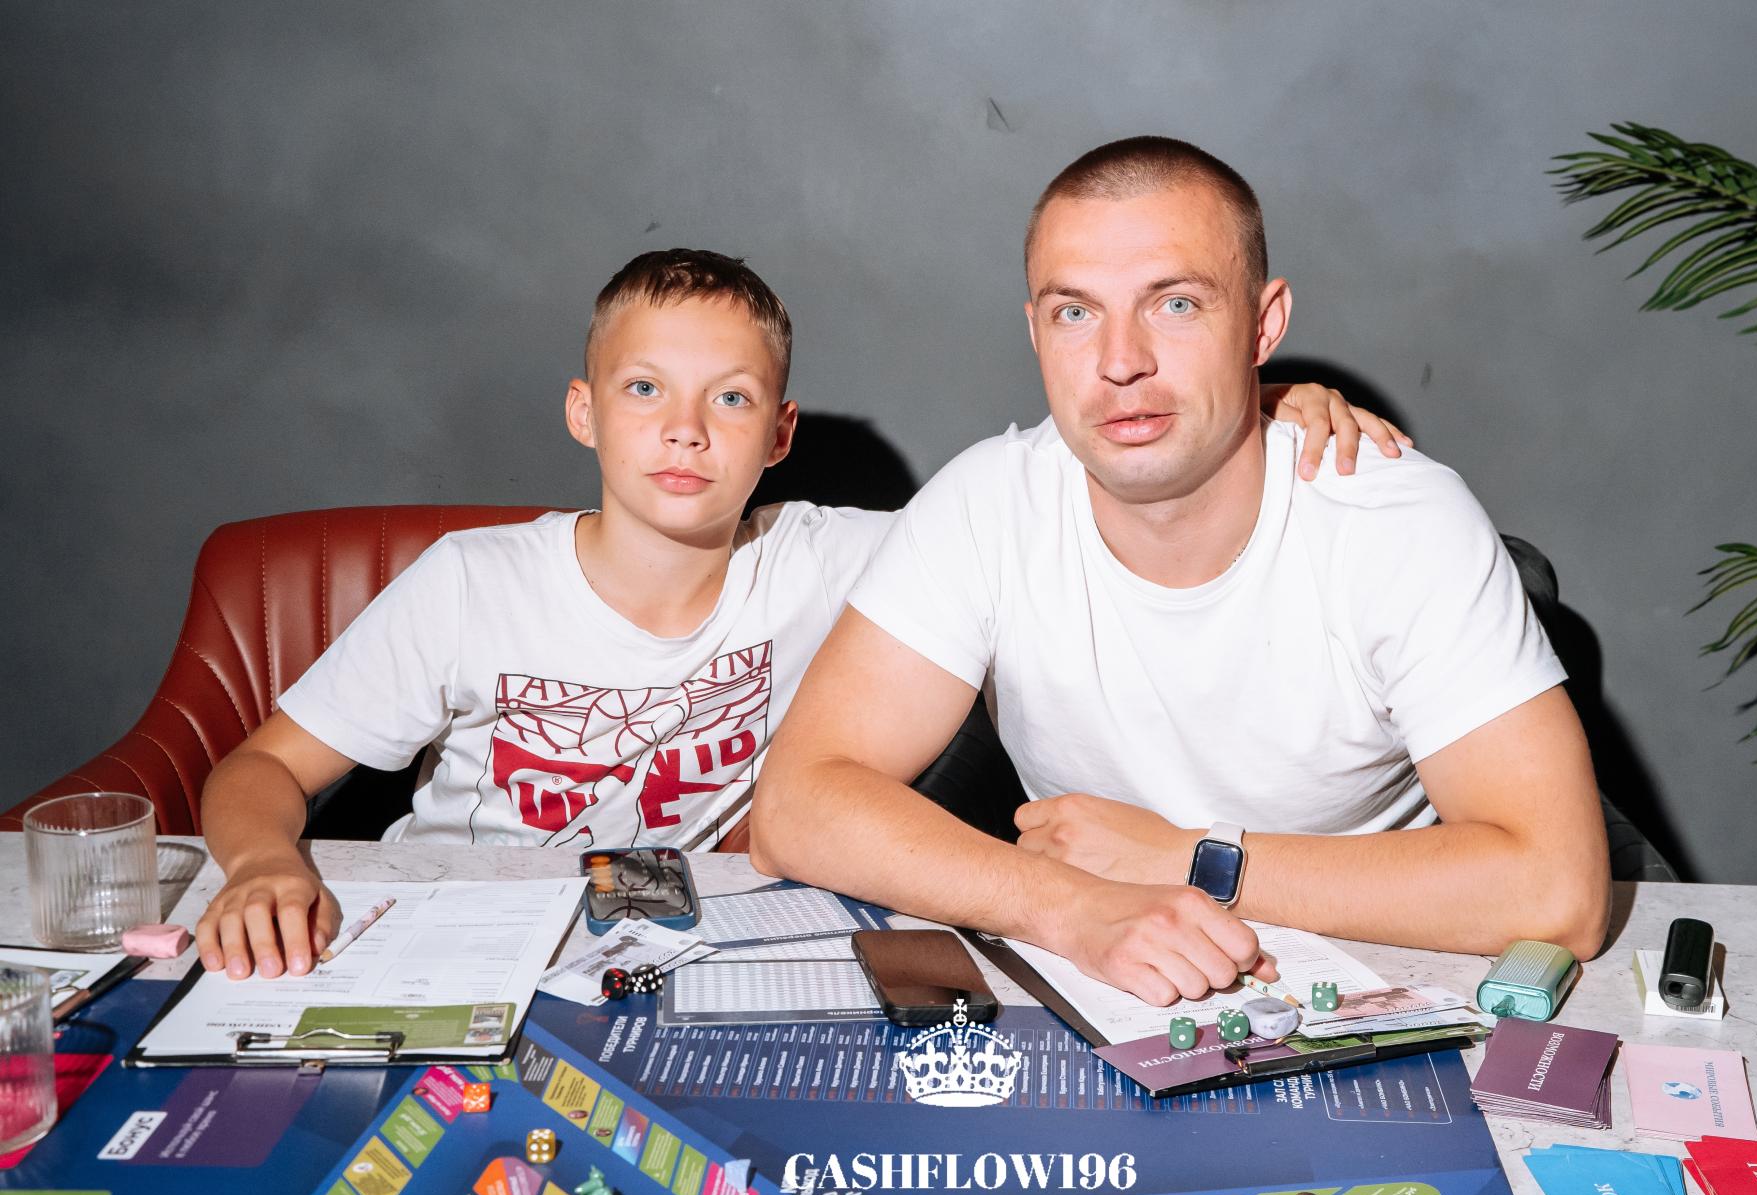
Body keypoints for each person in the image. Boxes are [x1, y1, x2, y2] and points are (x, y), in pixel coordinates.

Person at [193, 245, 1402, 981]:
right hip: (462, 938)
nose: (684, 429)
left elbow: (1053, 504)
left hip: (685, 948)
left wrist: (1259, 411)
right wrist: (255, 866)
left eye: (729, 399)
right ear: (583, 411)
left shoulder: (833, 557)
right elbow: (261, 769)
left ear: (777, 434)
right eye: (644, 389)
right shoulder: (471, 583)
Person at [753, 137, 1611, 1007]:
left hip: (1374, 994)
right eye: (1075, 313)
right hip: (1113, 992)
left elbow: (1557, 889)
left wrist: (1190, 860)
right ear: (1035, 331)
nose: (1121, 360)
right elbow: (796, 806)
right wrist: (1071, 907)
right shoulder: (986, 503)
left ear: (1264, 325)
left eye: (1175, 304)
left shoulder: (1397, 521)